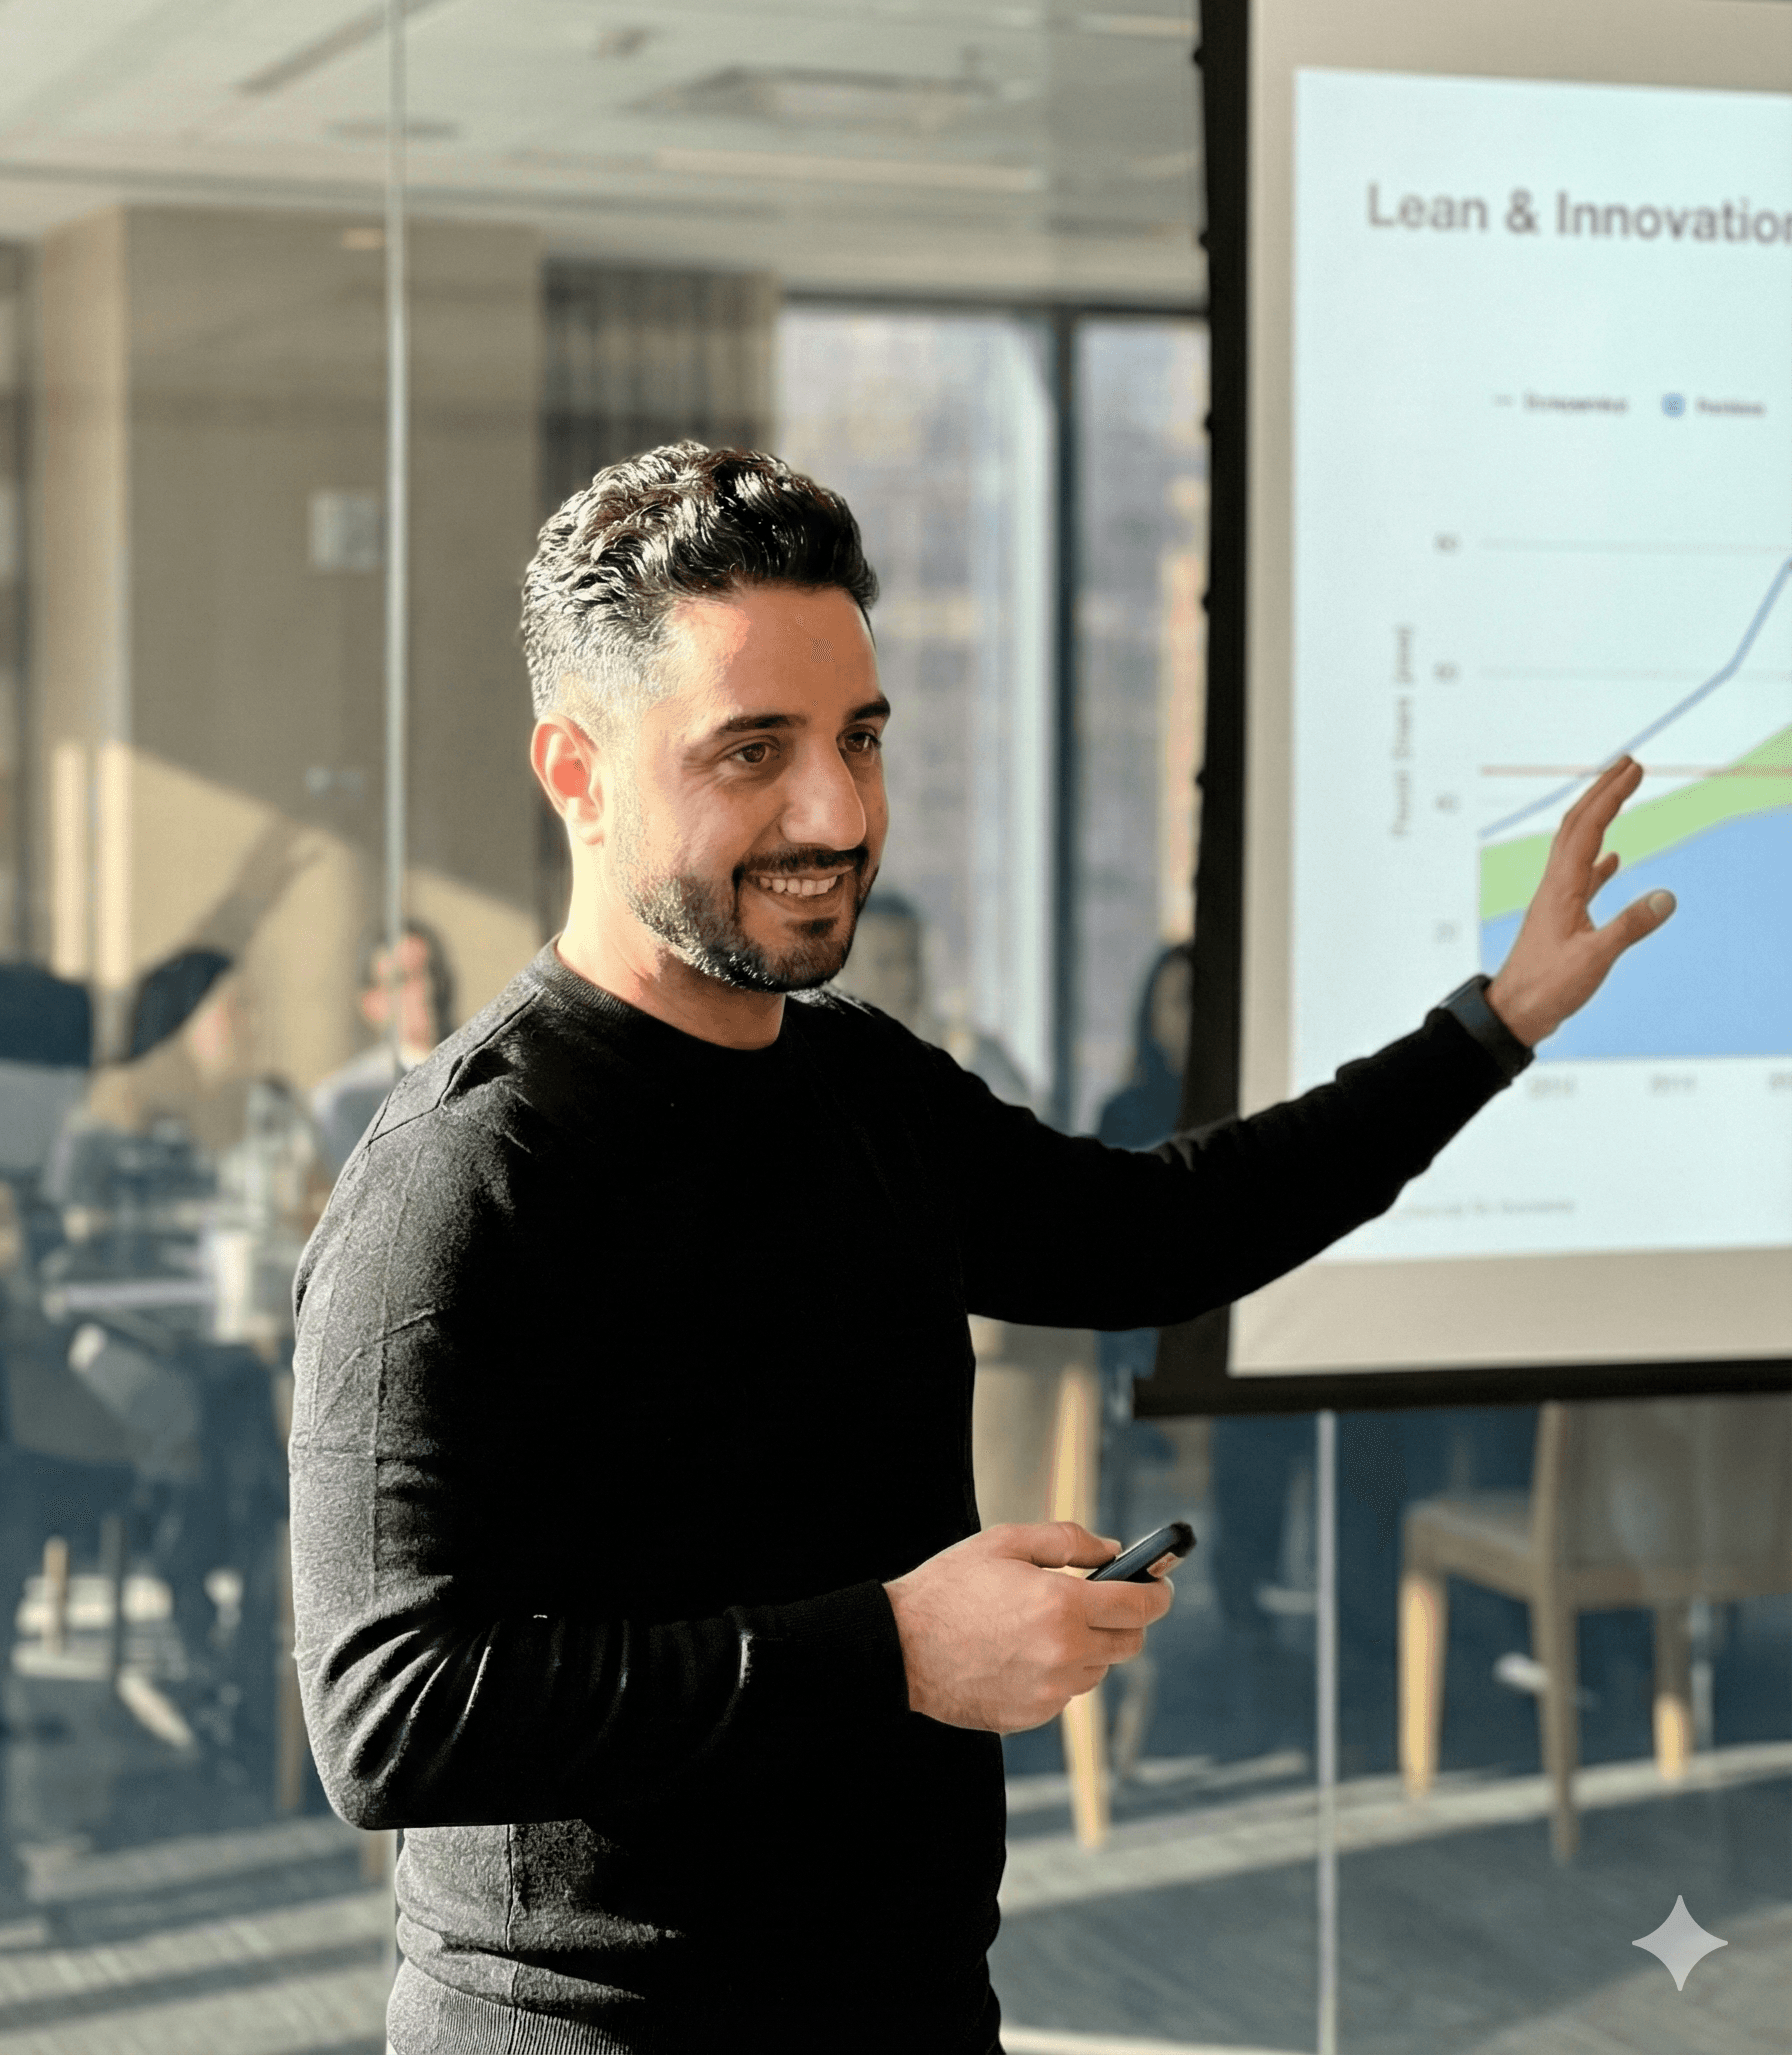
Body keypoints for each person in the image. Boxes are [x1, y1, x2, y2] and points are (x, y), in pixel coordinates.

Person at [287, 441, 1672, 2055]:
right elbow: (387, 1717)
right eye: (754, 750)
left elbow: (1160, 1231)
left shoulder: (855, 1082)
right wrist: (892, 1645)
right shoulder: (458, 1172)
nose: (836, 810)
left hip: (914, 2008)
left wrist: (1488, 1027)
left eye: (857, 739)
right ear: (576, 772)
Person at [309, 921, 456, 1176]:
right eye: (405, 979)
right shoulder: (347, 1099)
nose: (427, 989)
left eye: (433, 972)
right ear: (371, 1002)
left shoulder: (482, 1068)